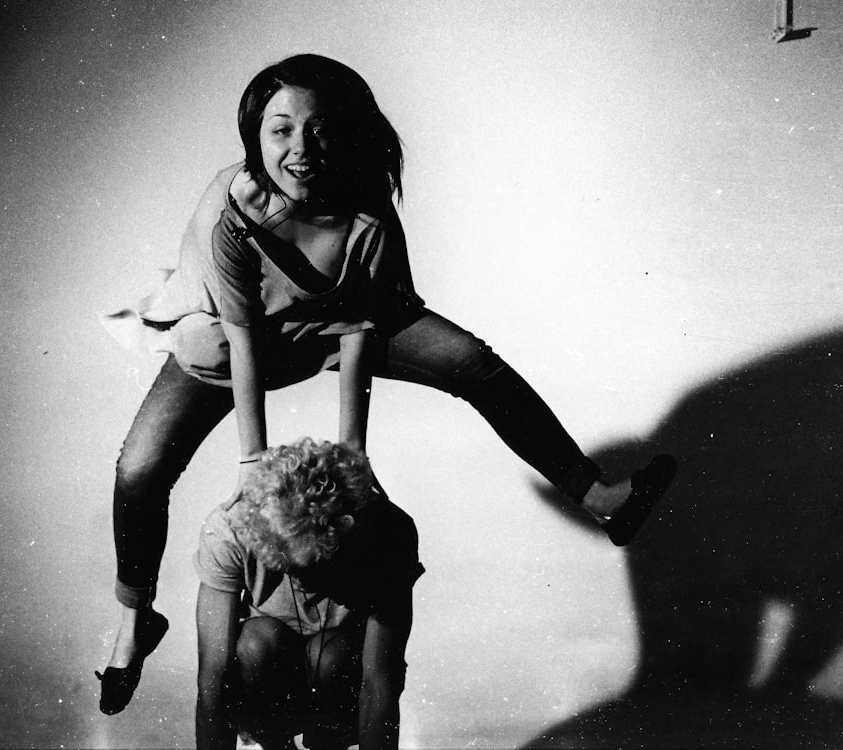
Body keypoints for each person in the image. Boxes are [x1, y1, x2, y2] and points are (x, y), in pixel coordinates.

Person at [95, 53, 677, 714]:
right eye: (281, 130)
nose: (300, 148)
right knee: (139, 467)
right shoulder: (230, 207)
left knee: (472, 362)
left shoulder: (364, 204)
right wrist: (253, 465)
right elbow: (243, 332)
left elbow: (360, 328)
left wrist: (354, 458)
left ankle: (601, 499)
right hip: (233, 339)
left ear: (345, 133)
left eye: (319, 129)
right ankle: (135, 620)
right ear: (254, 135)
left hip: (331, 325)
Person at [193, 437, 422, 750]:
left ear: (342, 532)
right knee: (256, 643)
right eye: (282, 565)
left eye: (309, 567)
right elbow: (213, 682)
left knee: (332, 657)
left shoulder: (389, 534)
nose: (298, 580)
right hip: (267, 686)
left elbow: (379, 684)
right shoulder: (228, 530)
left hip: (339, 679)